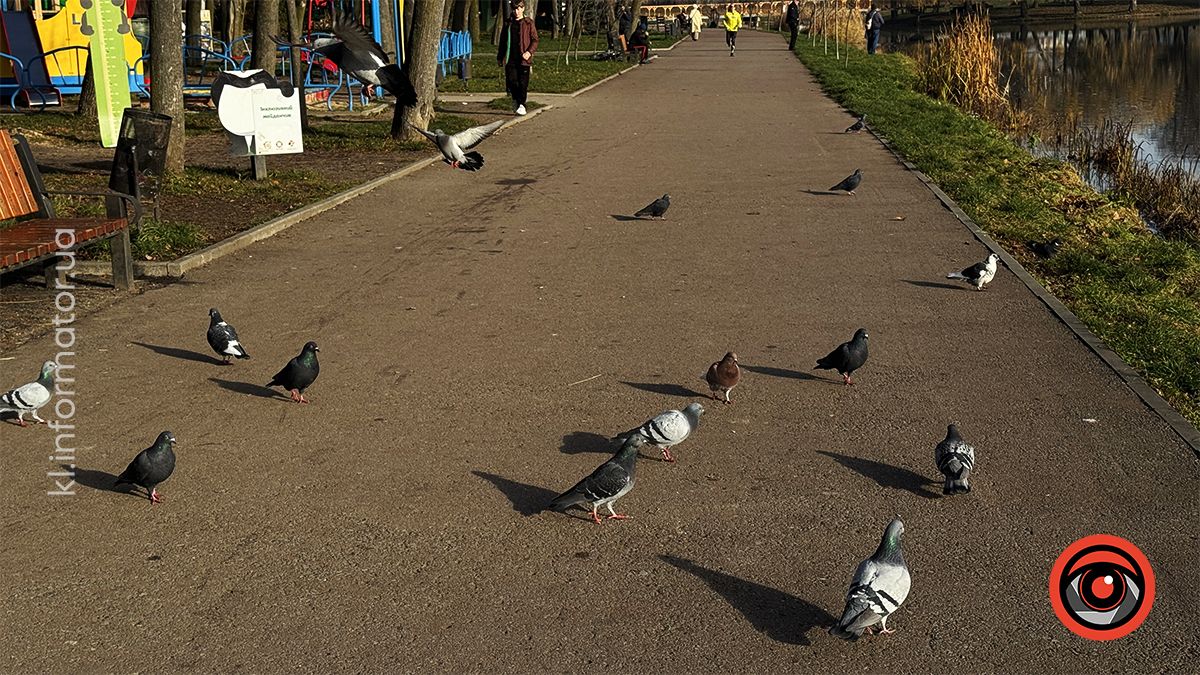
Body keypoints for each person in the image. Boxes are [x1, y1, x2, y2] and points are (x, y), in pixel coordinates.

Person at [497, 0, 538, 116]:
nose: (516, 11)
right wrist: (500, 57)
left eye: (518, 9)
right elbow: (503, 41)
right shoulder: (508, 23)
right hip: (511, 58)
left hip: (523, 59)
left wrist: (529, 52)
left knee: (523, 83)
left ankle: (522, 105)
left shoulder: (528, 23)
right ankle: (515, 99)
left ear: (523, 8)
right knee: (512, 81)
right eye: (514, 9)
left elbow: (535, 40)